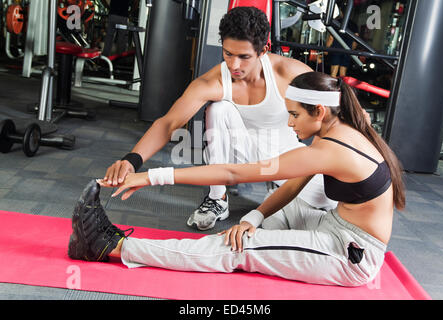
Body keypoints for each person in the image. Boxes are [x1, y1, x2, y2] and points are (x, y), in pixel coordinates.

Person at [68, 71, 405, 287]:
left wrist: (150, 177)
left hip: (349, 254)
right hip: (330, 222)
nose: (290, 124)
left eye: (294, 114)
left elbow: (232, 172)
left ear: (318, 111)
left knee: (240, 250)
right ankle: (222, 239)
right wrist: (254, 217)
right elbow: (293, 185)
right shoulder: (339, 128)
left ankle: (111, 246)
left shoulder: (330, 150)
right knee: (248, 229)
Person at [103, 6, 336, 231]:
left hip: (285, 157)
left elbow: (335, 117)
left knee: (327, 200)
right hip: (239, 154)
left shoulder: (289, 72)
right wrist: (131, 160)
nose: (234, 65)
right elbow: (168, 123)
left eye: (244, 56)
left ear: (263, 50)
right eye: (228, 54)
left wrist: (316, 158)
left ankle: (277, 194)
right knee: (218, 109)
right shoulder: (213, 81)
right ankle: (217, 198)